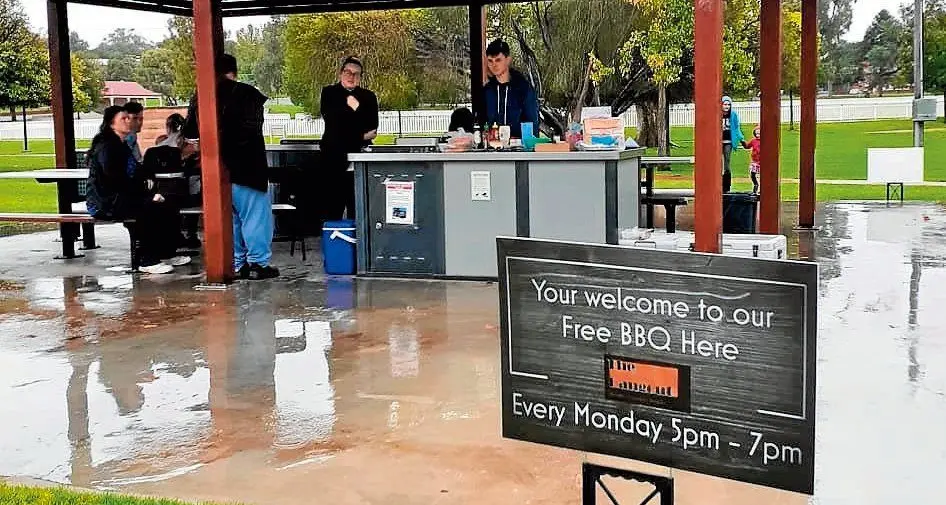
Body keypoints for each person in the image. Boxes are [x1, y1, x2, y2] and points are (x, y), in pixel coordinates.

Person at [182, 54, 279, 280]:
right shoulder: (248, 93)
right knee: (255, 216)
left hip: (215, 170)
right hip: (247, 168)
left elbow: (190, 132)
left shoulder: (201, 96)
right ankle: (258, 264)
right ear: (234, 72)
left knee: (231, 219)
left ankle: (237, 262)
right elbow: (251, 131)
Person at [85, 105, 190, 275]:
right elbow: (115, 179)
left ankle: (166, 253)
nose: (129, 121)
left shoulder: (122, 144)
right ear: (112, 124)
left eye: (129, 118)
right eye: (123, 119)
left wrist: (149, 182)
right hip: (106, 202)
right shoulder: (107, 146)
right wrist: (144, 194)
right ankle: (146, 260)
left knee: (169, 205)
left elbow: (137, 171)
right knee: (149, 209)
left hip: (122, 197)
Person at [320, 56, 379, 221]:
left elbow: (372, 128)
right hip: (333, 160)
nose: (351, 76)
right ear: (341, 73)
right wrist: (360, 132)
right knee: (332, 210)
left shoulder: (369, 97)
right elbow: (333, 124)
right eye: (348, 72)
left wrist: (353, 112)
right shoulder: (329, 93)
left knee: (359, 209)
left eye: (356, 74)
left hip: (359, 160)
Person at [483, 39, 539, 139]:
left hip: (518, 146)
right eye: (490, 61)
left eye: (498, 60)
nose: (494, 65)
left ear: (508, 60)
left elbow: (532, 126)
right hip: (492, 147)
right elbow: (480, 123)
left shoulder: (523, 89)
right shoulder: (487, 91)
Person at [721, 96, 745, 193]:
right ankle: (717, 184)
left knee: (727, 163)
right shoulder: (717, 114)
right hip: (718, 142)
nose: (726, 106)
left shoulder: (733, 115)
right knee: (717, 163)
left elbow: (736, 128)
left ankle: (726, 186)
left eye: (728, 104)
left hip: (728, 141)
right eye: (725, 104)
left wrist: (741, 139)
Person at [742, 126, 762, 194]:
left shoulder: (765, 141)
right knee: (752, 173)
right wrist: (743, 142)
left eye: (759, 134)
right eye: (756, 134)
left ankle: (761, 187)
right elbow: (747, 146)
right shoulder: (753, 141)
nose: (758, 135)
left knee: (761, 175)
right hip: (754, 161)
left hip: (761, 162)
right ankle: (755, 184)